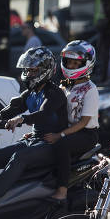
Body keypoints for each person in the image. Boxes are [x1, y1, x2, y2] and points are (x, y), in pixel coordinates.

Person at [0, 46, 68, 208]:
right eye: (27, 70)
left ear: (45, 70)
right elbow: (8, 111)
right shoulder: (31, 93)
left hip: (51, 144)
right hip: (34, 140)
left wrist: (22, 119)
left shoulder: (55, 93)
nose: (28, 74)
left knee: (19, 157)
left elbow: (43, 114)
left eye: (33, 70)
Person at [44, 40, 99, 203]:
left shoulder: (91, 89)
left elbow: (83, 122)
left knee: (62, 145)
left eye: (76, 63)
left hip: (86, 134)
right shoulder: (65, 87)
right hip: (68, 130)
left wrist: (59, 135)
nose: (71, 66)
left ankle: (62, 190)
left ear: (86, 64)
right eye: (69, 62)